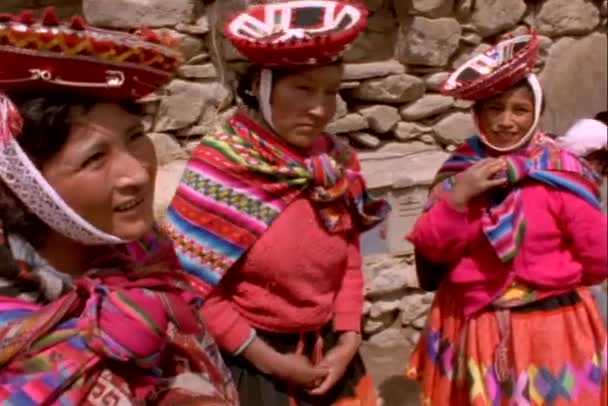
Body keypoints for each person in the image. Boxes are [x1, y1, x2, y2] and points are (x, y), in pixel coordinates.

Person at [0, 8, 238, 405]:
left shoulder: (145, 257)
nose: (138, 174)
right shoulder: (14, 328)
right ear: (27, 184)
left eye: (135, 136)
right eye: (95, 158)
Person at [164, 1, 389, 405]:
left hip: (332, 352)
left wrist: (350, 336)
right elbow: (197, 285)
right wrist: (270, 361)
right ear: (261, 86)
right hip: (251, 364)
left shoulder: (336, 162)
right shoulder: (223, 168)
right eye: (303, 88)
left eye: (331, 91)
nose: (320, 109)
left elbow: (350, 252)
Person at [405, 32, 607, 405]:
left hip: (551, 329)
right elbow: (432, 249)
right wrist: (460, 197)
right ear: (477, 115)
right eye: (494, 109)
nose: (506, 122)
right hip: (473, 324)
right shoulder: (460, 171)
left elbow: (598, 257)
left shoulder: (563, 173)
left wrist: (551, 285)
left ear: (537, 114)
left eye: (519, 109)